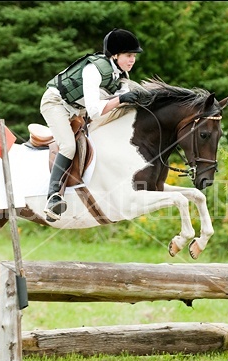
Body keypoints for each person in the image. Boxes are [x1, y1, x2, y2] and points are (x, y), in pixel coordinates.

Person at [41, 28, 143, 222]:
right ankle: (53, 197)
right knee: (68, 146)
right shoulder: (93, 70)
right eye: (129, 55)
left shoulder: (121, 75)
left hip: (78, 109)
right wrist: (121, 99)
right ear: (115, 55)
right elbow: (96, 110)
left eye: (134, 56)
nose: (133, 60)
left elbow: (118, 99)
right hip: (55, 104)